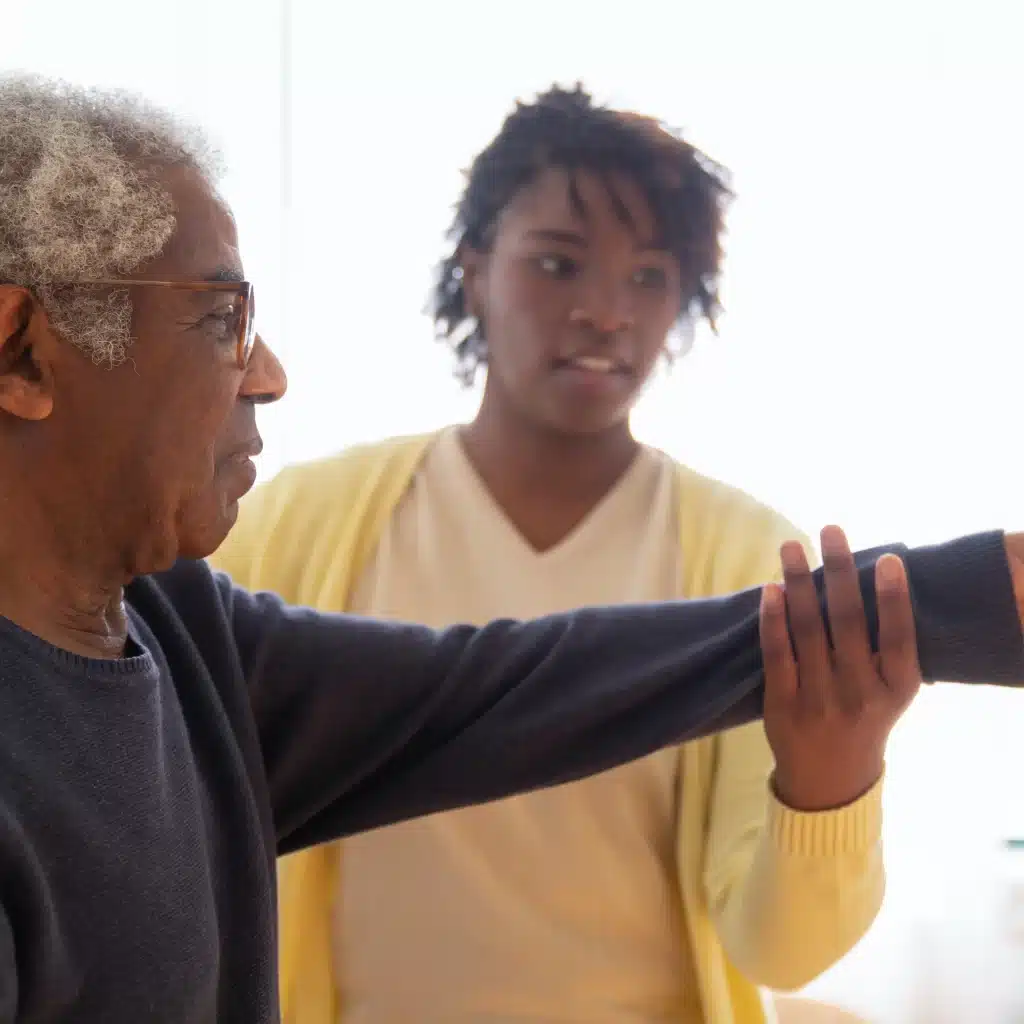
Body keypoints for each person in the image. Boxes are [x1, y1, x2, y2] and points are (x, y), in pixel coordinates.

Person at [0, 74, 1021, 1024]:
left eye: (650, 277)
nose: (605, 310)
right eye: (221, 317)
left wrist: (944, 624)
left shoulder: (183, 625)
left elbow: (501, 692)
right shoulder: (283, 530)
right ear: (21, 351)